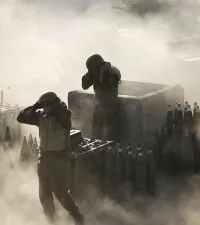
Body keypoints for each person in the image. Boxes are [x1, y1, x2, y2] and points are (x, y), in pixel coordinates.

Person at [16, 91, 84, 225]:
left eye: (48, 105)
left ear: (54, 104)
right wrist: (36, 106)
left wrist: (55, 107)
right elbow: (21, 117)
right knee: (44, 195)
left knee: (61, 193)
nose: (45, 108)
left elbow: (63, 116)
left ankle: (76, 215)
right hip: (44, 160)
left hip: (58, 160)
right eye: (44, 106)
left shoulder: (63, 116)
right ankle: (51, 221)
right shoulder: (41, 117)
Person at [81, 54, 121, 140]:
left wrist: (103, 74)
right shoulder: (96, 73)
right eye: (90, 70)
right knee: (96, 134)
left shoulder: (111, 73)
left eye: (93, 70)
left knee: (109, 135)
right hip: (99, 108)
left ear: (99, 66)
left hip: (110, 109)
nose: (92, 72)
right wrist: (89, 75)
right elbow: (84, 86)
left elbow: (108, 85)